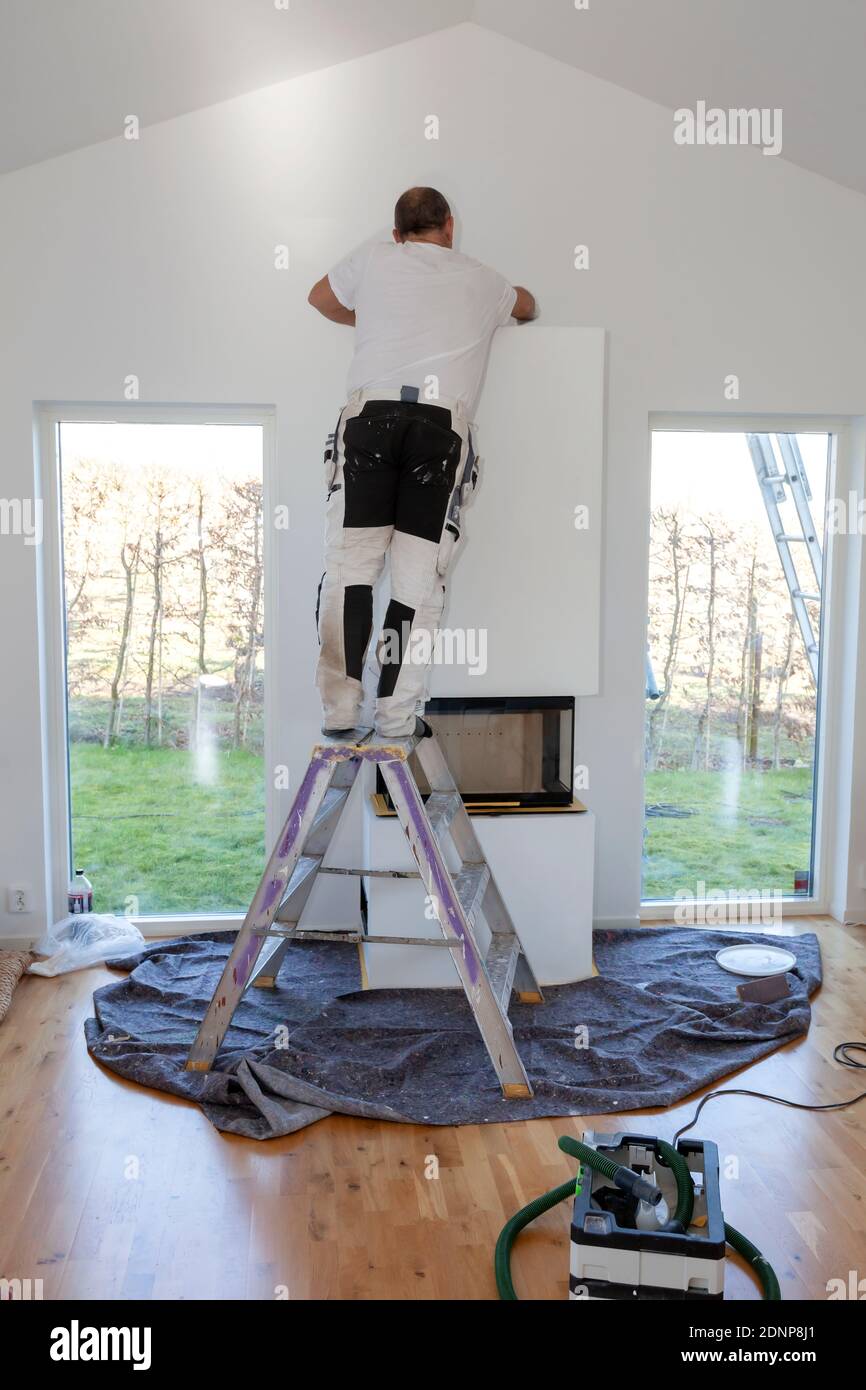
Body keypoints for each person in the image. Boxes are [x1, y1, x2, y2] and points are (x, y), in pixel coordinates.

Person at [308, 186, 536, 738]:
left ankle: (341, 711)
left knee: (352, 573)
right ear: (450, 227)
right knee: (416, 585)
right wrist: (496, 303)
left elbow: (320, 297)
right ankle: (395, 716)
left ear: (396, 233)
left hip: (370, 423)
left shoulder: (375, 257)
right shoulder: (480, 278)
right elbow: (526, 307)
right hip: (437, 430)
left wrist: (374, 318)